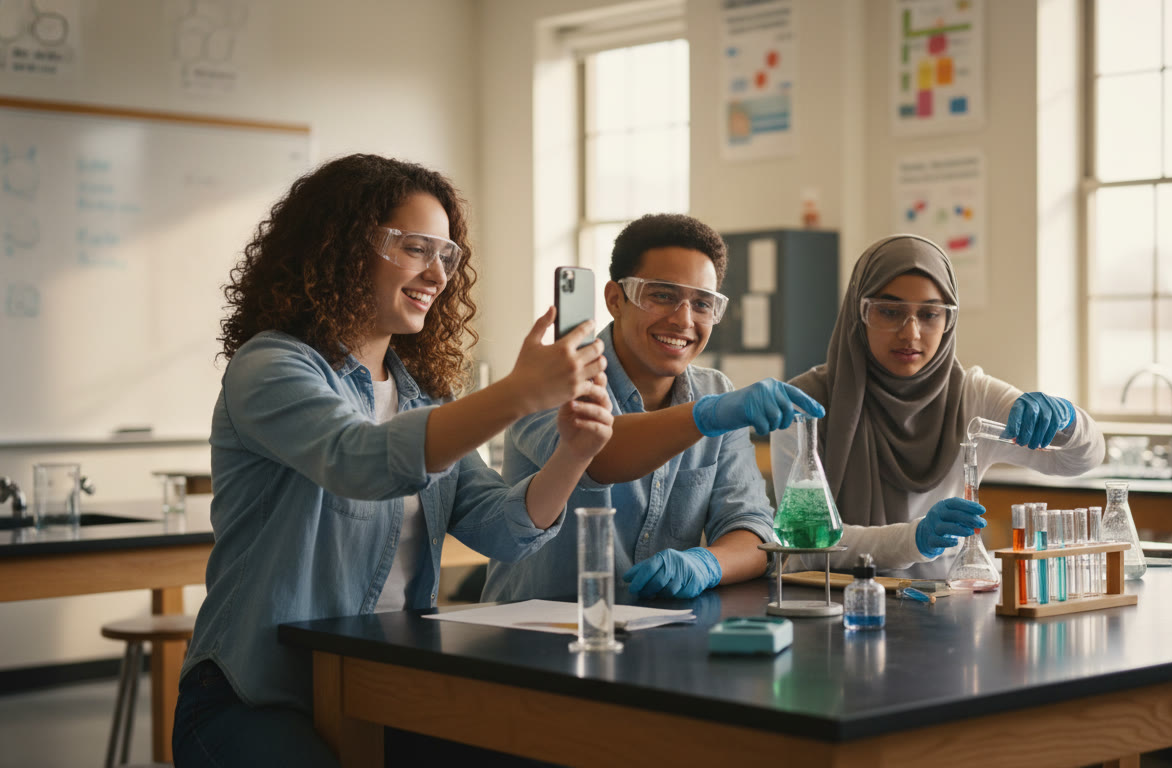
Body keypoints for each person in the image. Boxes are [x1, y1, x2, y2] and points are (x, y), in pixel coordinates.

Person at [172, 154, 614, 767]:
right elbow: (360, 461)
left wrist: (574, 454)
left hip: (383, 687)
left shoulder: (423, 394)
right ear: (342, 248)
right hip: (258, 695)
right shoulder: (270, 366)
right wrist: (516, 394)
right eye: (416, 248)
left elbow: (497, 526)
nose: (438, 273)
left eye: (447, 255)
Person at [482, 213, 824, 603]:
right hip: (533, 639)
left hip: (658, 636)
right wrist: (703, 417)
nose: (683, 320)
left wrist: (708, 563)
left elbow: (753, 528)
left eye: (702, 303)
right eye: (662, 295)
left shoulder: (714, 389)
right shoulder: (556, 377)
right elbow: (594, 458)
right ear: (615, 299)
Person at [773, 234, 1105, 578]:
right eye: (889, 312)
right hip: (834, 608)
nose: (911, 333)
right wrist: (915, 538)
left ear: (949, 321)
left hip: (945, 611)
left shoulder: (972, 396)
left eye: (930, 314)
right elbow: (806, 546)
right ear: (860, 312)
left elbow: (1080, 459)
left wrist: (1067, 420)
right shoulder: (804, 403)